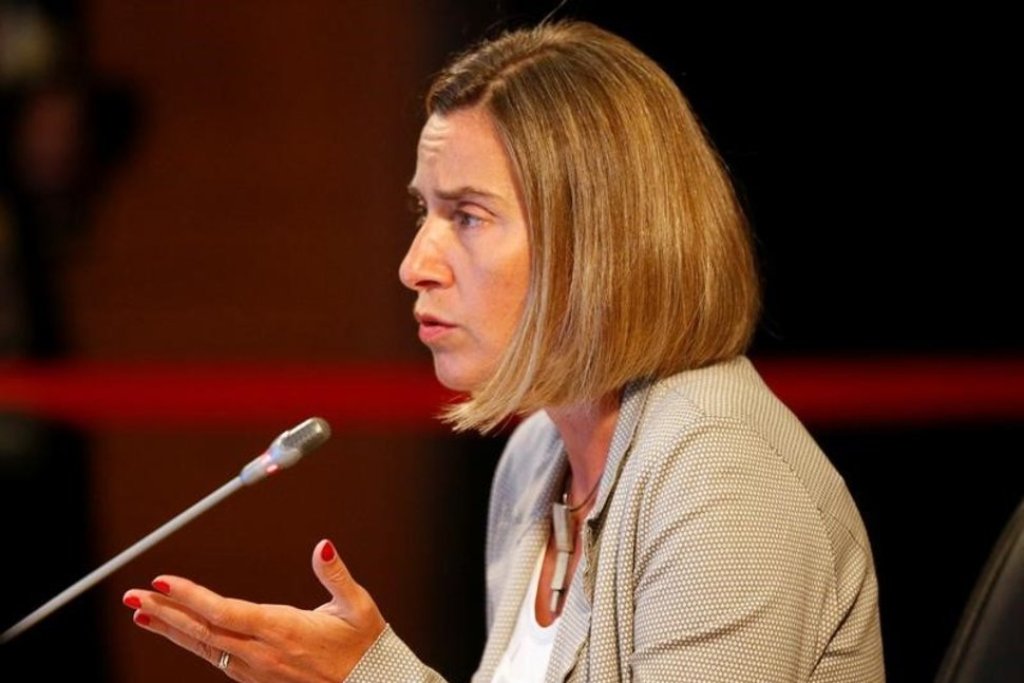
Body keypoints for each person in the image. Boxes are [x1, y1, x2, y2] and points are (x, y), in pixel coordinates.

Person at [122, 20, 885, 682]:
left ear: (599, 240)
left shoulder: (722, 481)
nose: (415, 262)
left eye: (469, 215)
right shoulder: (533, 458)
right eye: (426, 209)